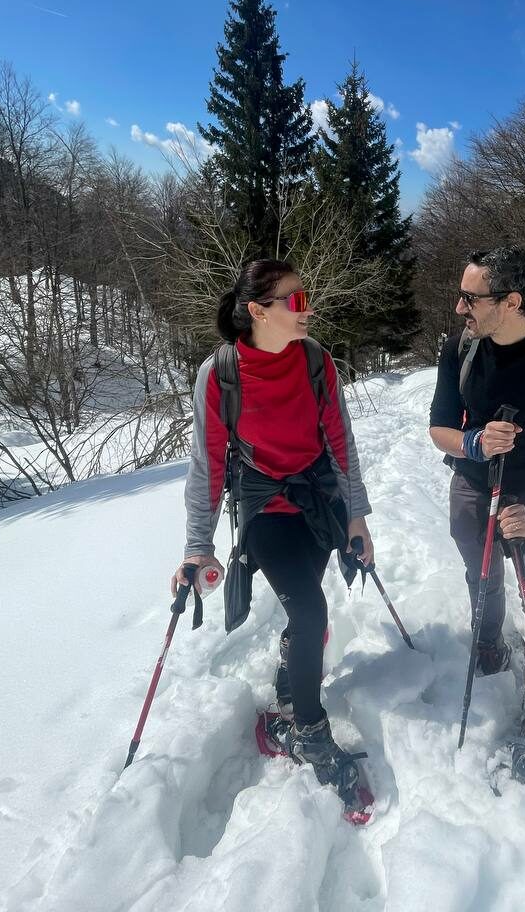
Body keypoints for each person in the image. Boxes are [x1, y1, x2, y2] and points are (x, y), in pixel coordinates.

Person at [176, 259, 374, 795]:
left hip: (318, 505)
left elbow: (341, 443)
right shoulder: (219, 375)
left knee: (304, 610)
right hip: (265, 508)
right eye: (296, 300)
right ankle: (304, 729)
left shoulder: (316, 362)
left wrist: (356, 515)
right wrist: (199, 546)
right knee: (311, 610)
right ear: (259, 312)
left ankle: (296, 653)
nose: (307, 309)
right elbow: (208, 464)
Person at [428, 246, 525, 755]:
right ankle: (489, 638)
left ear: (512, 301)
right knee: (483, 575)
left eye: (470, 298)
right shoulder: (460, 351)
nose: (459, 308)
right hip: (477, 484)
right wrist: (473, 442)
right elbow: (439, 428)